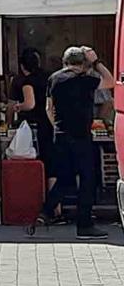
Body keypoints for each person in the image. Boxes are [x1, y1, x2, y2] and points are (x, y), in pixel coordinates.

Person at [39, 46, 114, 240]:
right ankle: (85, 225)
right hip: (81, 136)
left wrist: (57, 126)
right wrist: (96, 61)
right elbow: (111, 81)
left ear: (65, 62)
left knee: (64, 177)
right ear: (83, 64)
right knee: (87, 179)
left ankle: (47, 210)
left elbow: (49, 107)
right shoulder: (85, 79)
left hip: (61, 134)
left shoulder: (54, 78)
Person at [10, 48, 58, 217]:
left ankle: (46, 205)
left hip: (37, 126)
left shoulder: (27, 81)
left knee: (41, 164)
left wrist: (17, 106)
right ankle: (56, 209)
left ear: (23, 66)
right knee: (53, 165)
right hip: (53, 124)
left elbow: (30, 104)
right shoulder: (50, 78)